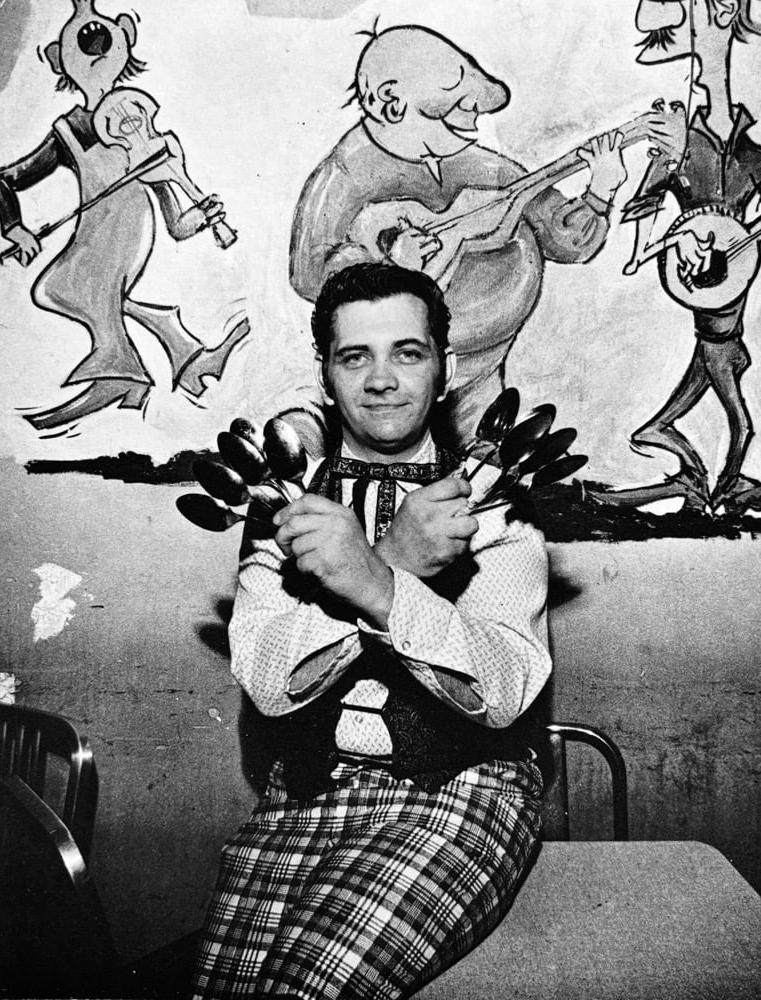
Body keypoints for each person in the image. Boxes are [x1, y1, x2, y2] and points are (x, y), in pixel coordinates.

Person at [191, 263, 552, 999]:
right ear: (325, 376)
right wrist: (394, 562)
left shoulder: (494, 505)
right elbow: (270, 686)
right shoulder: (281, 503)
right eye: (355, 356)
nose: (381, 380)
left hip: (463, 792)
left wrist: (376, 580)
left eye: (407, 353)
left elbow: (504, 694)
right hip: (303, 797)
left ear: (446, 369)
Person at [289, 23, 627, 447]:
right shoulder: (345, 174)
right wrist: (388, 266)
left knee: (484, 449)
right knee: (346, 433)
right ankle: (301, 440)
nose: (471, 120)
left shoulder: (484, 166)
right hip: (389, 368)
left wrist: (600, 193)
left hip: (479, 367)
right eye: (452, 107)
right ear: (392, 103)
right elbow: (309, 272)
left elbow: (562, 238)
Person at [598, 0, 761, 515]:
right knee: (741, 426)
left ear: (722, 13)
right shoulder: (677, 146)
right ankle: (719, 491)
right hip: (714, 326)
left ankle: (704, 486)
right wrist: (676, 241)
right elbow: (638, 250)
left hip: (725, 333)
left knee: (699, 404)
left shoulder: (758, 157)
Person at [0, 0, 247, 431]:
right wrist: (15, 227)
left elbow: (177, 225)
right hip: (93, 238)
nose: (92, 41)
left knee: (68, 287)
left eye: (103, 32)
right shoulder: (68, 132)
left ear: (125, 36)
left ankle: (121, 373)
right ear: (57, 59)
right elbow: (1, 180)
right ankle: (186, 353)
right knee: (58, 289)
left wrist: (201, 215)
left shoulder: (142, 125)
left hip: (124, 241)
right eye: (77, 40)